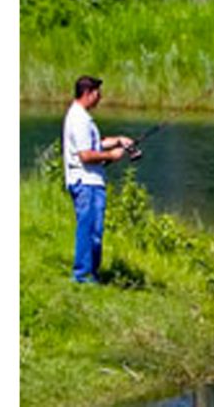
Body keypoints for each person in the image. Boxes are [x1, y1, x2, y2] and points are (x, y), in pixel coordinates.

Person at [62, 76, 135, 284]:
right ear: (88, 93)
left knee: (95, 231)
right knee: (88, 230)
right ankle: (83, 276)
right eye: (98, 93)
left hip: (92, 181)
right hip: (85, 183)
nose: (100, 97)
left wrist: (119, 140)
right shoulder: (78, 119)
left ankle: (91, 274)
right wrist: (112, 156)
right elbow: (86, 155)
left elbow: (96, 144)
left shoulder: (83, 117)